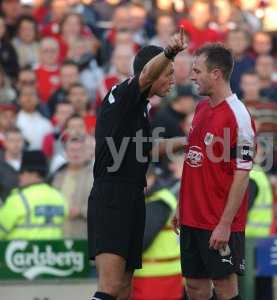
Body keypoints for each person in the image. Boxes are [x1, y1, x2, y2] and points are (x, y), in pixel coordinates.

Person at [88, 29, 187, 300]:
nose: (172, 81)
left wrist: (187, 141)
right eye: (168, 74)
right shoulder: (123, 94)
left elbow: (146, 151)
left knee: (124, 288)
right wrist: (169, 52)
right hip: (112, 197)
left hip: (132, 195)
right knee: (108, 287)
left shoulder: (140, 107)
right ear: (151, 73)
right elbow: (144, 75)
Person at [175, 43, 256, 300]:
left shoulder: (238, 116)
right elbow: (193, 161)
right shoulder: (200, 108)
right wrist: (182, 207)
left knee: (225, 289)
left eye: (197, 71)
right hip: (191, 217)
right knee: (195, 287)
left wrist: (225, 224)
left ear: (216, 74)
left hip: (218, 222)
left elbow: (243, 174)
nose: (192, 76)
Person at [132, 166, 183, 300]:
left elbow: (142, 240)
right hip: (158, 275)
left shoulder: (159, 202)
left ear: (152, 179)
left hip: (156, 277)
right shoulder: (148, 199)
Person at [0, 150, 68, 240]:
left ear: (32, 173)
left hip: (22, 252)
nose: (19, 177)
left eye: (22, 173)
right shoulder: (59, 197)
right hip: (53, 252)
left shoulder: (18, 199)